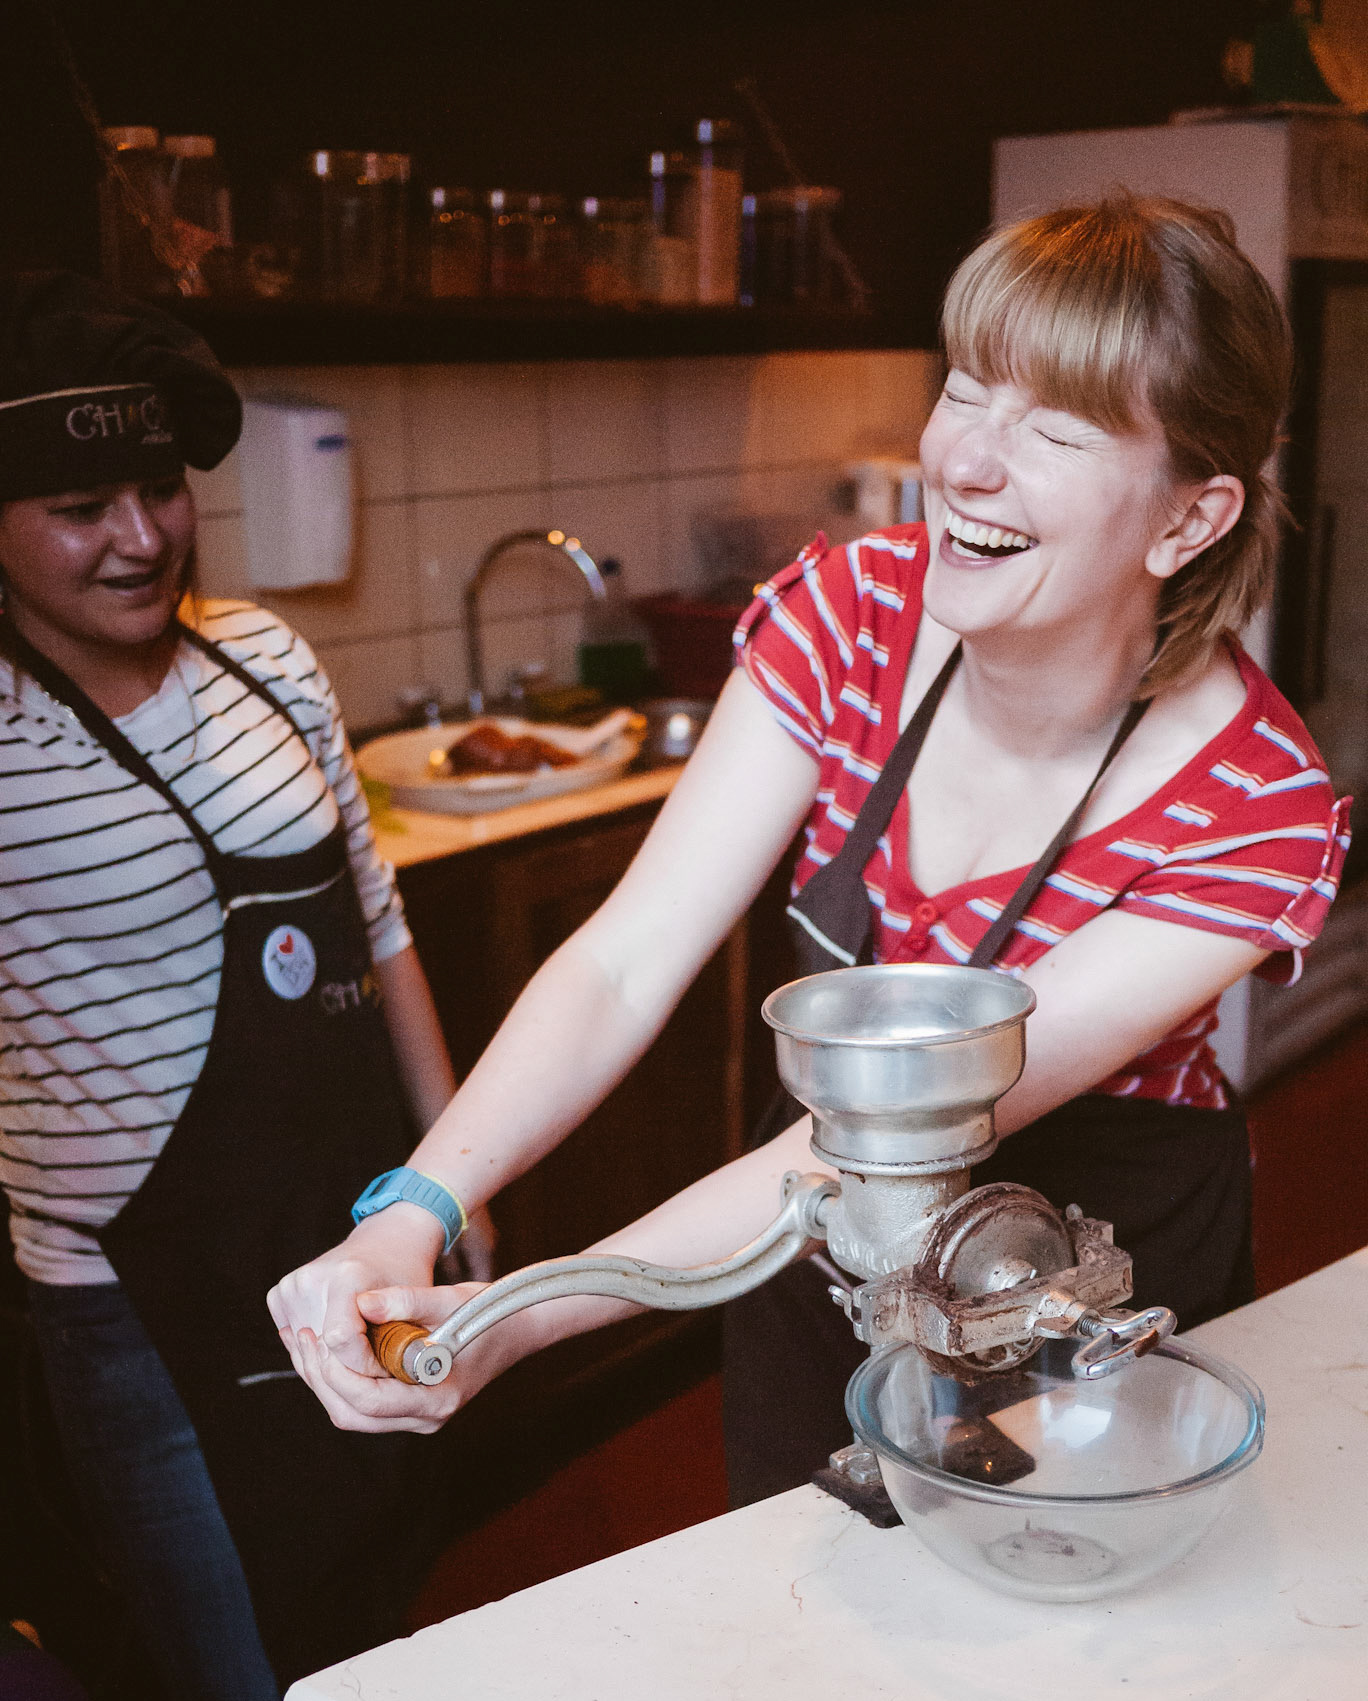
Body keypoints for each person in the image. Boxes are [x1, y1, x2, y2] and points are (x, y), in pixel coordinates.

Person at [270, 195, 1350, 1502]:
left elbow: (913, 1126)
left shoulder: (1251, 806)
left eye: (1054, 429)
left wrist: (523, 1315)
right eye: (964, 389)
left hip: (1079, 1295)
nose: (966, 461)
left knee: (1058, 1659)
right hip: (812, 1253)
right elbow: (626, 958)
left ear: (1190, 520)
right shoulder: (853, 615)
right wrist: (415, 1210)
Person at [0, 271, 472, 1701]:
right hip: (139, 1313)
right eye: (75, 508)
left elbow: (378, 913)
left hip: (350, 1250)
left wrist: (452, 1170)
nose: (137, 538)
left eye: (159, 491)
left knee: (361, 1638)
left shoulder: (264, 656)